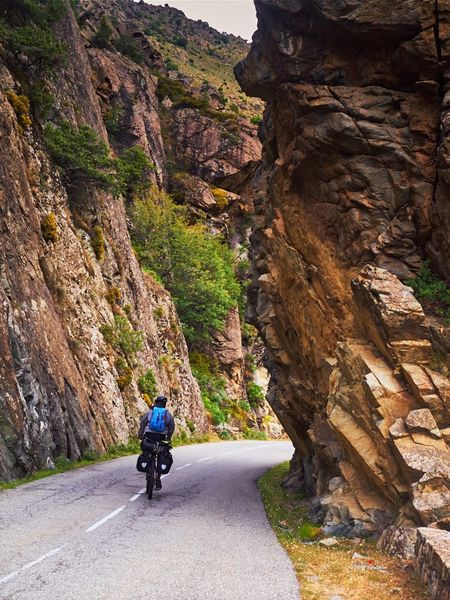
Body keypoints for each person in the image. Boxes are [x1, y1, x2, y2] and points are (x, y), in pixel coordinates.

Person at [138, 395, 175, 490]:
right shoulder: (167, 414)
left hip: (149, 437)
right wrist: (168, 438)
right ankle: (158, 479)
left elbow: (143, 423)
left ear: (156, 403)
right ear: (164, 404)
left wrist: (141, 435)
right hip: (161, 438)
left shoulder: (150, 413)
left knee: (146, 451)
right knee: (160, 456)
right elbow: (171, 428)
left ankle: (147, 466)